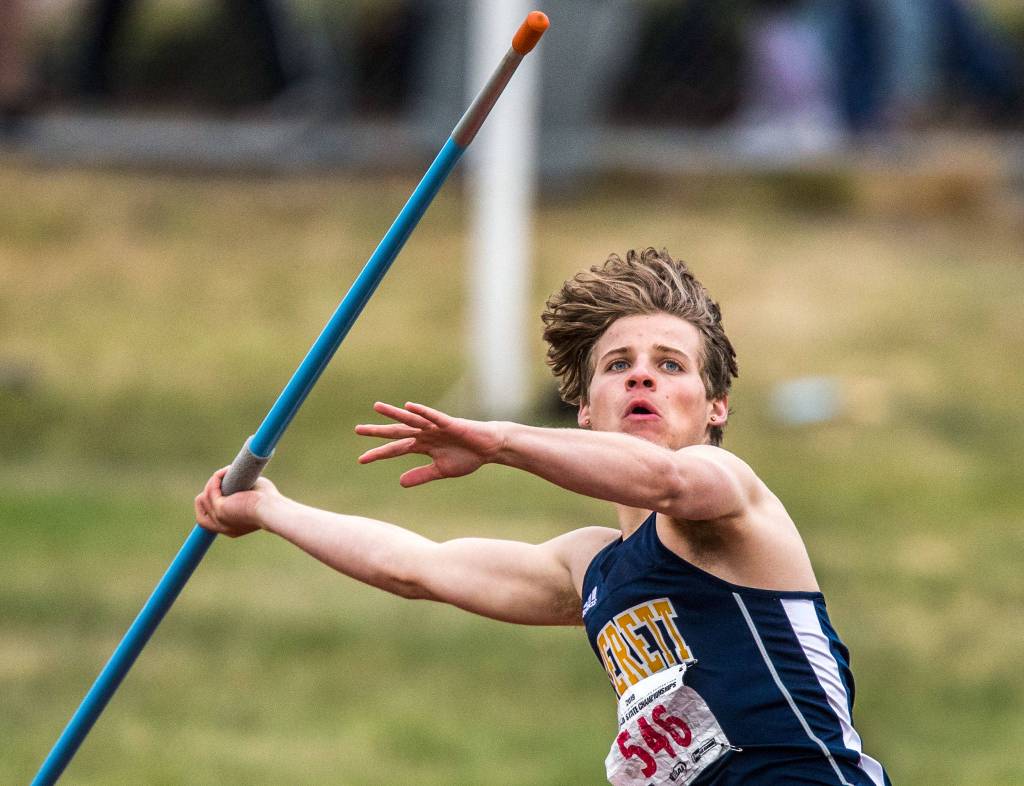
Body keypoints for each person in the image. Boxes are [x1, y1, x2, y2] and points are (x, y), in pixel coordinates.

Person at [196, 248, 890, 785]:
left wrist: (497, 441)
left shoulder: (723, 492)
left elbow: (667, 480)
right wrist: (270, 509)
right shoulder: (590, 569)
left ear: (716, 408)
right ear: (585, 410)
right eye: (619, 365)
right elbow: (418, 567)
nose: (643, 376)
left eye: (671, 365)